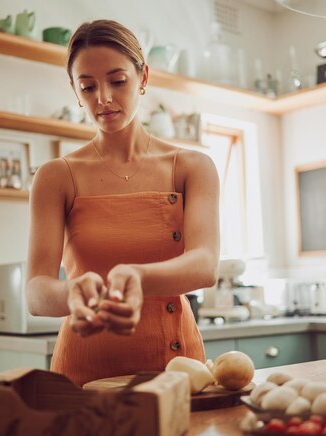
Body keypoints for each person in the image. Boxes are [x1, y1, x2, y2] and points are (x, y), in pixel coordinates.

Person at [25, 19, 220, 387]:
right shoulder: (56, 176)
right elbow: (36, 292)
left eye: (118, 81)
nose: (103, 98)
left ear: (143, 77)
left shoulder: (192, 167)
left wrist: (138, 276)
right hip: (83, 376)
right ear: (74, 90)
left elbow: (205, 267)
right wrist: (70, 293)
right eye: (87, 86)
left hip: (177, 371)